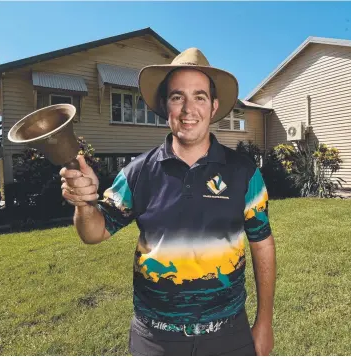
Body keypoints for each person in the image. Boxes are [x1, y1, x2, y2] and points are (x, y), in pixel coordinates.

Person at [60, 47, 276, 356]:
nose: (189, 109)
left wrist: (264, 322)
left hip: (228, 334)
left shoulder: (244, 173)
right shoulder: (137, 172)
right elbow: (94, 233)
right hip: (155, 339)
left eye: (199, 97)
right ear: (165, 105)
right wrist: (84, 204)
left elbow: (262, 243)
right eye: (178, 97)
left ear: (213, 107)